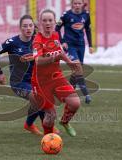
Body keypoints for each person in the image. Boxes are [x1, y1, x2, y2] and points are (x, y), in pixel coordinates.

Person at [0, 15, 59, 136]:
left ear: (34, 27)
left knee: (39, 100)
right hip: (18, 83)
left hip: (36, 81)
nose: (28, 28)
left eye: (30, 25)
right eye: (25, 26)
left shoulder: (38, 40)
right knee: (38, 99)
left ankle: (29, 125)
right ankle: (47, 128)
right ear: (20, 28)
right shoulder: (12, 42)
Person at [29, 9, 81, 137]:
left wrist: (69, 62)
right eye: (44, 20)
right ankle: (48, 137)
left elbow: (61, 52)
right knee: (50, 115)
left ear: (54, 22)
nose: (48, 23)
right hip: (41, 81)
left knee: (75, 103)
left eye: (50, 20)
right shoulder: (37, 40)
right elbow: (38, 61)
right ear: (40, 22)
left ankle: (64, 122)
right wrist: (54, 58)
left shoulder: (56, 35)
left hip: (56, 76)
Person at [56, 0, 94, 104]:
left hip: (81, 45)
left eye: (79, 3)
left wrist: (90, 45)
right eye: (75, 3)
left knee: (76, 70)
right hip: (69, 45)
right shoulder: (66, 15)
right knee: (77, 67)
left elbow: (88, 30)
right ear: (72, 4)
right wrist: (62, 41)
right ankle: (86, 94)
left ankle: (69, 92)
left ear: (82, 4)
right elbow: (57, 28)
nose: (77, 5)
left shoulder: (86, 15)